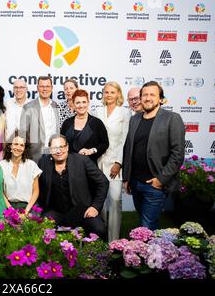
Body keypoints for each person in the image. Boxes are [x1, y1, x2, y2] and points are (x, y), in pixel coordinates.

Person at [123, 81, 185, 230]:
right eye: (145, 95)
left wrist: (160, 180)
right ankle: (157, 250)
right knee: (149, 223)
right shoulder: (135, 119)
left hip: (155, 184)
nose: (148, 98)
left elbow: (177, 154)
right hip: (136, 182)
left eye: (152, 94)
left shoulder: (172, 118)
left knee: (146, 225)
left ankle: (146, 251)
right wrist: (127, 178)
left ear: (161, 99)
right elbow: (128, 149)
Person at [38, 134, 109, 240]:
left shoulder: (81, 160)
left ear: (67, 147)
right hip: (55, 211)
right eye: (54, 148)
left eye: (61, 147)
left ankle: (94, 255)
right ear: (50, 149)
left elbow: (103, 182)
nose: (58, 151)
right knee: (41, 229)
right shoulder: (43, 162)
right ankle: (51, 256)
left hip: (81, 210)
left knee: (99, 229)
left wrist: (95, 206)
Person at [93, 82, 131, 242]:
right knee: (100, 201)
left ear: (118, 94)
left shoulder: (125, 112)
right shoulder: (98, 110)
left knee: (115, 200)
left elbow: (124, 140)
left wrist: (118, 163)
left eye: (112, 92)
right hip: (98, 162)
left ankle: (113, 241)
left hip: (115, 162)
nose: (109, 95)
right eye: (106, 92)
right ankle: (100, 237)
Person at [61, 89, 109, 165]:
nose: (81, 106)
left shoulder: (97, 123)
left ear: (88, 103)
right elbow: (62, 144)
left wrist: (91, 150)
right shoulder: (67, 123)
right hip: (69, 166)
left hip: (90, 166)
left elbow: (105, 143)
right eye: (78, 103)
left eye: (84, 102)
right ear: (73, 104)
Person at [19, 76, 60, 163]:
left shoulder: (55, 105)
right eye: (42, 86)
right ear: (37, 88)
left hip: (55, 154)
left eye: (47, 86)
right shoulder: (28, 107)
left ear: (51, 88)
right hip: (35, 156)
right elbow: (22, 133)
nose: (45, 89)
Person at [0, 134, 42, 215]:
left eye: (22, 145)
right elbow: (0, 192)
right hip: (8, 205)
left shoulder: (31, 165)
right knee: (6, 225)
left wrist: (26, 211)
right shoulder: (1, 166)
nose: (18, 148)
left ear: (25, 148)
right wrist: (11, 210)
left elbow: (36, 191)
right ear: (10, 146)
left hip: (29, 205)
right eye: (15, 144)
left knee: (29, 226)